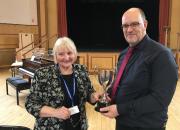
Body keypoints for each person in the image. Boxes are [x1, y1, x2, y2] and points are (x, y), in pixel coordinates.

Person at [100, 7, 178, 130]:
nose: (129, 29)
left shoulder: (162, 55)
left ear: (145, 24)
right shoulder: (124, 54)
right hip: (123, 124)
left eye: (135, 24)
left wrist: (120, 109)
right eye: (125, 26)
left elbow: (159, 99)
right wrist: (108, 94)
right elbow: (120, 83)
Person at [25, 37, 100, 130]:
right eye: (61, 54)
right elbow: (31, 104)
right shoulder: (42, 74)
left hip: (78, 125)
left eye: (69, 53)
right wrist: (55, 112)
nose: (66, 58)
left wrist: (93, 97)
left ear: (75, 54)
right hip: (51, 127)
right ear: (55, 56)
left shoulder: (81, 70)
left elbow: (89, 92)